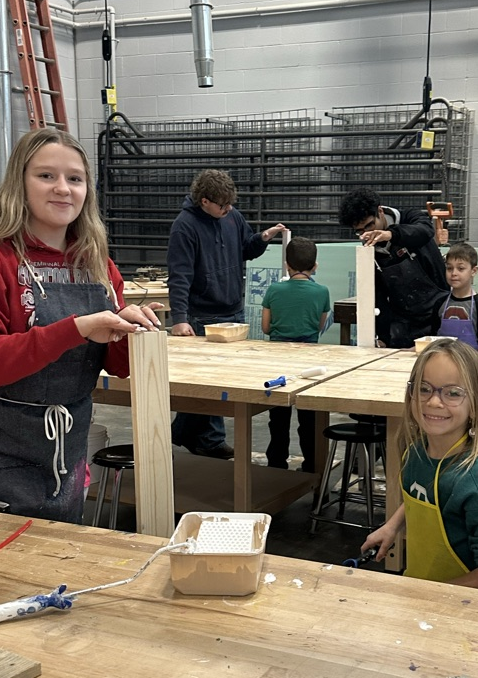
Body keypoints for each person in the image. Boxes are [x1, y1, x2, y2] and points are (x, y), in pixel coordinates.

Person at [0, 129, 161, 525]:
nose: (63, 189)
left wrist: (129, 331)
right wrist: (75, 328)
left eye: (74, 179)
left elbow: (118, 366)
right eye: (46, 176)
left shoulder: (96, 262)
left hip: (65, 446)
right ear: (19, 182)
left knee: (57, 568)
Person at [360, 337, 478, 590]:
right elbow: (424, 494)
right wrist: (392, 526)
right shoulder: (416, 453)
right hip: (421, 591)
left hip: (469, 608)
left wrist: (434, 598)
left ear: (475, 404)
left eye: (453, 393)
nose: (434, 402)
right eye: (424, 388)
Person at [168, 169, 286, 458]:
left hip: (233, 308)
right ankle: (206, 439)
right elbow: (179, 275)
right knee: (205, 382)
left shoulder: (232, 217)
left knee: (224, 381)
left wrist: (263, 238)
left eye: (231, 203)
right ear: (204, 201)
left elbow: (246, 249)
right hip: (203, 312)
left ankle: (192, 435)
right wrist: (180, 319)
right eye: (222, 205)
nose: (229, 208)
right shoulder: (185, 226)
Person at [337, 187, 448, 349]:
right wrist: (383, 337)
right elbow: (379, 296)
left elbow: (425, 230)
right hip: (404, 322)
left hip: (438, 311)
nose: (366, 233)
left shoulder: (410, 217)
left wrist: (391, 234)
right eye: (359, 231)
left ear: (380, 211)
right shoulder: (369, 250)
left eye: (370, 225)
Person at [261, 237, 331, 472]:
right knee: (309, 418)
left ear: (286, 265)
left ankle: (276, 463)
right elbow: (320, 326)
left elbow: (266, 327)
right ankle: (311, 464)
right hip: (309, 359)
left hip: (278, 358)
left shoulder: (274, 289)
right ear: (315, 266)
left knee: (278, 418)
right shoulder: (322, 292)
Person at [432, 242, 478, 354]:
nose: (454, 273)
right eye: (449, 268)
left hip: (470, 365)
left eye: (460, 268)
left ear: (473, 271)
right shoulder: (440, 303)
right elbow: (432, 339)